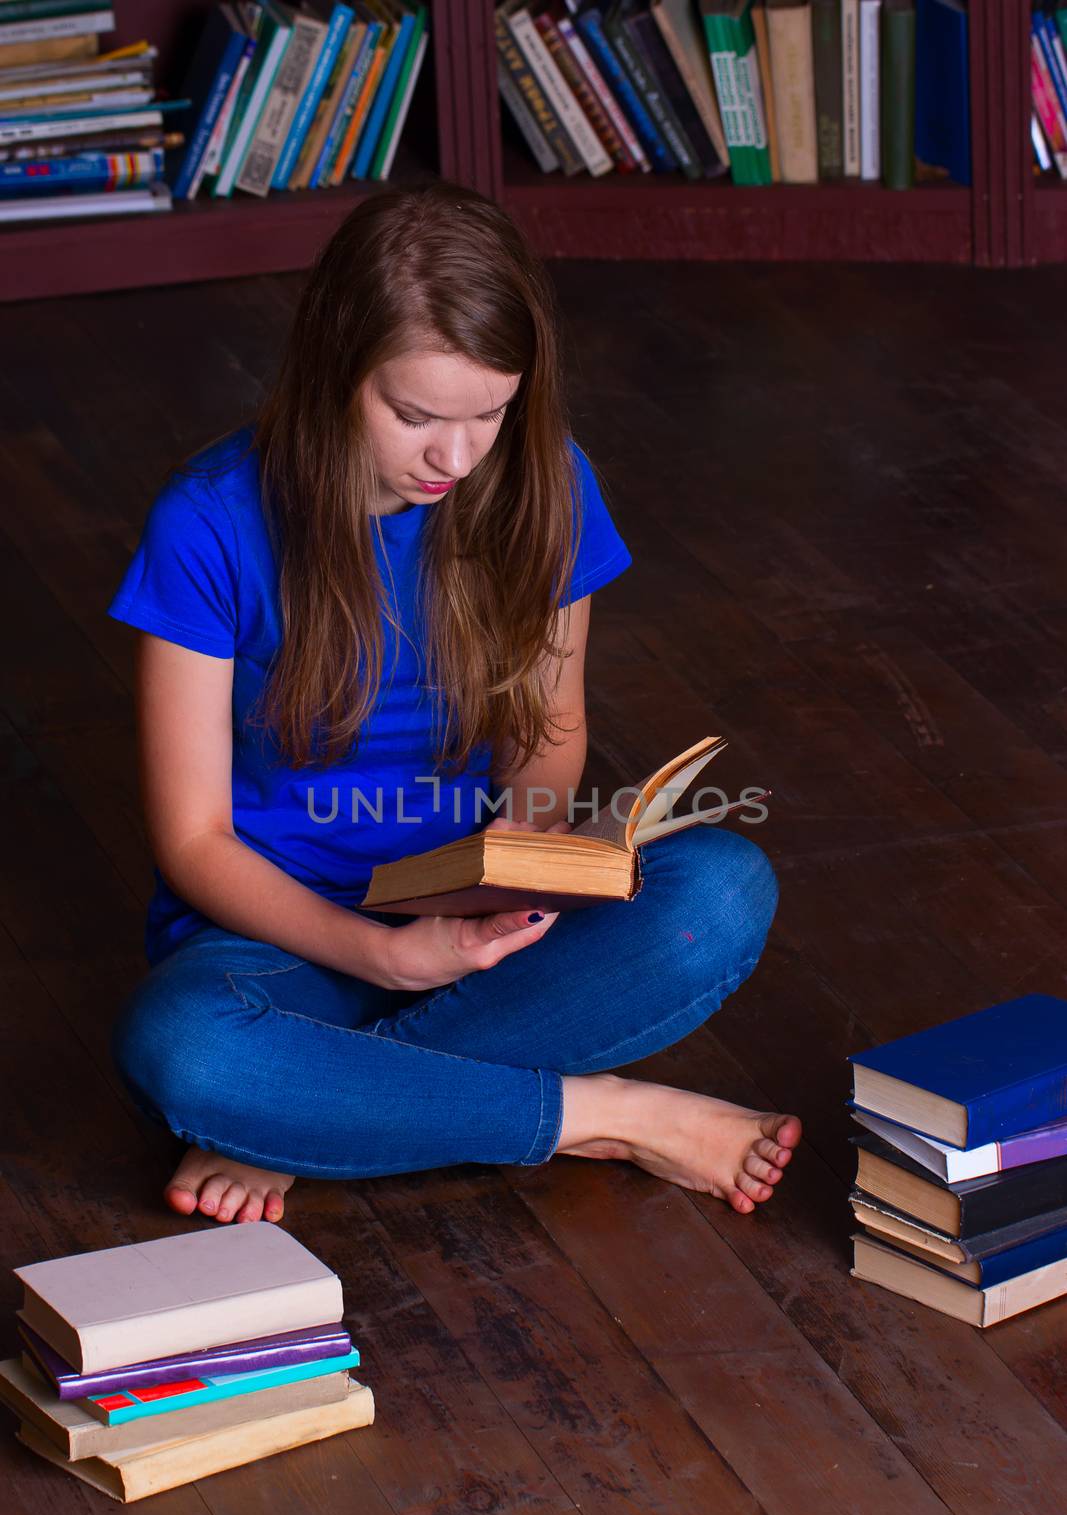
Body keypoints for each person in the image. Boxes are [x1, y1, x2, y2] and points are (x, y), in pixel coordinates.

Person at [107, 180, 801, 1229]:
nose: (454, 457)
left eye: (490, 411)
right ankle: (600, 1114)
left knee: (719, 892)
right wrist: (383, 953)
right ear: (337, 372)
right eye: (414, 414)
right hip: (280, 939)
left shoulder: (544, 483)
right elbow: (196, 840)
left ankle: (321, 1108)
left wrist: (508, 877)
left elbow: (544, 740)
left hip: (475, 918)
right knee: (186, 1045)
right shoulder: (208, 520)